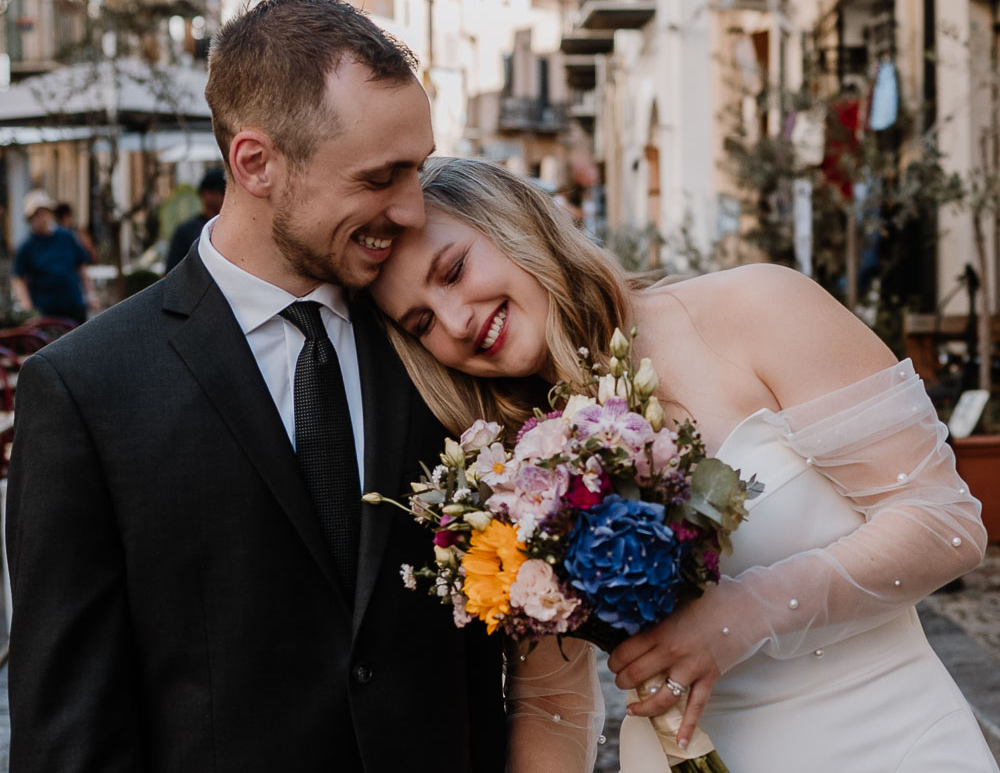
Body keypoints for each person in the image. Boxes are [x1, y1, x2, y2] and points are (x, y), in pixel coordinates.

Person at [6, 0, 506, 773]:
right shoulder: (85, 389)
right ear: (256, 163)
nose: (410, 209)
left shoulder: (437, 338)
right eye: (380, 178)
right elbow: (68, 721)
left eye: (417, 169)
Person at [370, 155, 998, 773]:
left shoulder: (756, 308)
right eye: (421, 322)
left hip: (890, 744)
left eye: (453, 271)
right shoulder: (513, 468)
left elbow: (946, 524)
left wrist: (743, 616)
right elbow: (552, 704)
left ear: (518, 225)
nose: (455, 322)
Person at [12, 189, 93, 325]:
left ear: (50, 214)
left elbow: (81, 266)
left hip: (73, 304)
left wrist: (90, 294)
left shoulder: (66, 237)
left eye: (44, 213)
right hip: (46, 310)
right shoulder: (26, 247)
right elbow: (19, 279)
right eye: (36, 215)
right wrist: (28, 309)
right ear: (30, 219)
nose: (41, 218)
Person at [165, 167, 227, 270]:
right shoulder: (186, 230)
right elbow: (172, 270)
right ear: (206, 194)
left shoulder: (233, 227)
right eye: (221, 192)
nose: (225, 196)